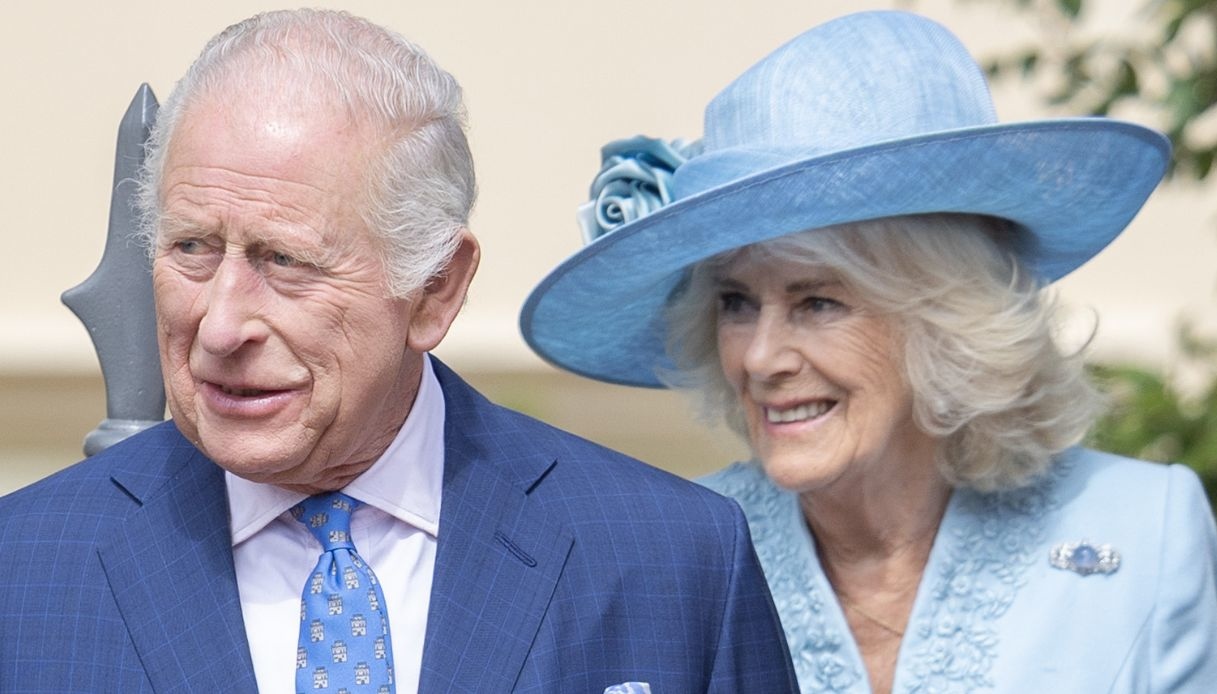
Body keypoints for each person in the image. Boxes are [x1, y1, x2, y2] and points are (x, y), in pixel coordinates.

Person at [0, 9, 799, 694]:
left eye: (285, 260)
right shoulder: (22, 572)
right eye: (191, 248)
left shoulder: (670, 560)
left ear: (435, 290)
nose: (220, 326)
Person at [520, 10, 1217, 693]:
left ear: (946, 318)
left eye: (818, 303)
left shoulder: (1147, 528)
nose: (760, 358)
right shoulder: (664, 557)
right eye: (736, 303)